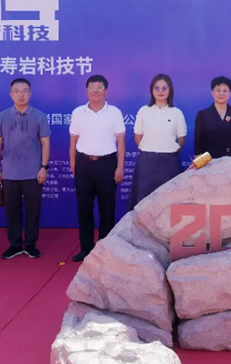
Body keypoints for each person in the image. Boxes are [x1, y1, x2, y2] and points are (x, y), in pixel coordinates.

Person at [0, 78, 51, 260]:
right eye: (17, 91)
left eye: (25, 91)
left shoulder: (39, 116)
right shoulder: (2, 117)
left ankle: (31, 244)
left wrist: (43, 167)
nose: (21, 95)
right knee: (12, 211)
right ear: (11, 95)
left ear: (30, 94)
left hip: (33, 172)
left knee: (33, 210)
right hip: (9, 173)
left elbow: (45, 142)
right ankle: (15, 244)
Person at [70, 74, 126, 262]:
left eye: (99, 87)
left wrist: (120, 167)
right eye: (92, 87)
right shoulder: (78, 112)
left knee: (107, 209)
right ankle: (86, 248)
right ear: (87, 90)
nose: (96, 90)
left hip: (107, 164)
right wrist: (73, 163)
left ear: (106, 91)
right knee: (84, 209)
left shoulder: (114, 112)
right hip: (83, 164)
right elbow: (73, 140)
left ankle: (105, 250)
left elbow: (121, 142)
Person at [130, 74, 186, 210]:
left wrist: (169, 149)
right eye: (157, 88)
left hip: (170, 162)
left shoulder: (176, 112)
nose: (160, 91)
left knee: (169, 202)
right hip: (147, 162)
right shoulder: (144, 111)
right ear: (152, 90)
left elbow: (181, 138)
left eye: (164, 88)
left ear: (170, 90)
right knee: (143, 203)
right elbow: (138, 137)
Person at [193, 76, 231, 159]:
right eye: (218, 90)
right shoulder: (203, 115)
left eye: (225, 91)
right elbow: (198, 142)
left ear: (230, 93)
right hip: (210, 161)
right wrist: (198, 158)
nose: (221, 93)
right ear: (212, 93)